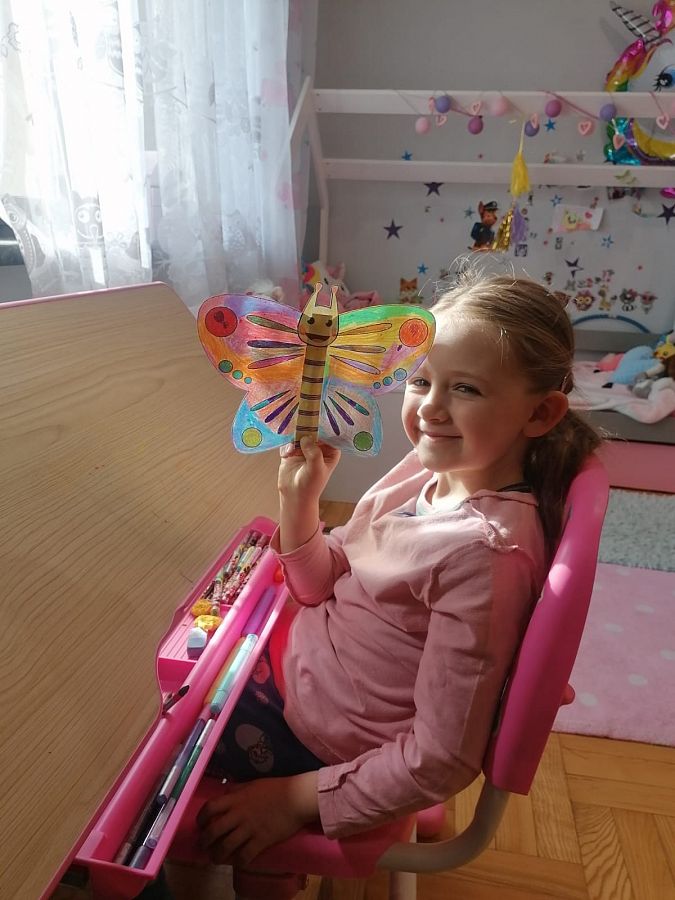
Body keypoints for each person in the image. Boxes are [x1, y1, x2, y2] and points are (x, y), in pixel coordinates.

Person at [196, 271, 602, 867]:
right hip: (302, 665)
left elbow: (441, 760)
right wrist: (299, 501)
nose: (431, 406)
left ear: (539, 413)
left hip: (316, 736)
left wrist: (293, 801)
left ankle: (255, 872)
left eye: (466, 388)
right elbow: (320, 586)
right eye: (420, 380)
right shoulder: (427, 469)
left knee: (146, 737)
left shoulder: (483, 556)